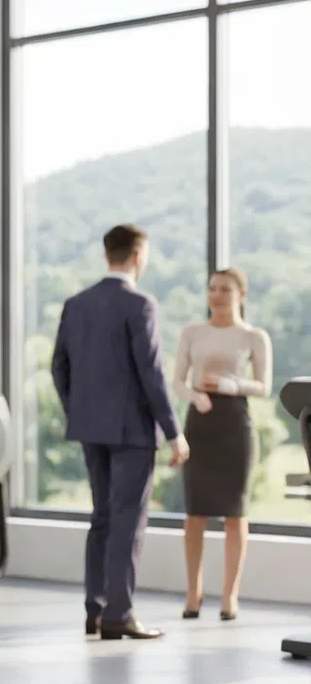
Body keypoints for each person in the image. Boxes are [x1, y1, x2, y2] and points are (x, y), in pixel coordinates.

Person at [51, 223, 189, 641]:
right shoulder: (140, 304)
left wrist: (80, 410)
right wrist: (173, 431)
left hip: (90, 427)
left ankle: (95, 611)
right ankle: (119, 614)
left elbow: (60, 367)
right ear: (137, 255)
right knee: (128, 522)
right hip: (131, 431)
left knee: (102, 519)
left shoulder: (76, 304)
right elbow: (152, 374)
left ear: (107, 252)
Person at [174, 268, 272, 622]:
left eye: (225, 290)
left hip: (235, 425)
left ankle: (230, 596)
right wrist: (195, 397)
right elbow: (177, 382)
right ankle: (193, 592)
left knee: (235, 514)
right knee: (195, 513)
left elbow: (264, 386)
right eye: (212, 288)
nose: (217, 295)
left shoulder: (253, 336)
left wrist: (232, 385)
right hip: (199, 423)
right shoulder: (192, 332)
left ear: (241, 295)